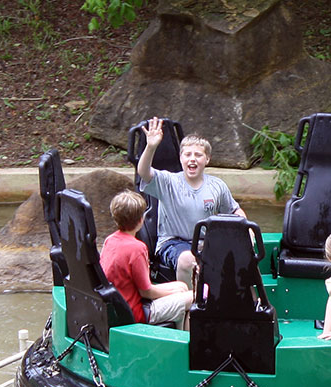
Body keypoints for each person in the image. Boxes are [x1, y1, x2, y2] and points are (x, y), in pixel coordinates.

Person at [136, 117, 247, 288]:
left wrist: (248, 233)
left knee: (236, 255)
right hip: (173, 242)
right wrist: (151, 147)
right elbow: (143, 172)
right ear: (181, 158)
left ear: (207, 159)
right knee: (188, 259)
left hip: (206, 242)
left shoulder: (217, 186)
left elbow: (235, 212)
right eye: (187, 154)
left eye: (198, 155)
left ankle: (247, 306)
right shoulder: (168, 182)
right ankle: (188, 307)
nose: (192, 159)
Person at [100, 190, 194, 330]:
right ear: (141, 220)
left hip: (119, 304)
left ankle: (179, 333)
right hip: (136, 312)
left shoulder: (110, 240)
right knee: (193, 297)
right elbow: (146, 291)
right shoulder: (137, 248)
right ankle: (185, 343)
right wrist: (174, 292)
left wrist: (178, 288)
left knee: (182, 286)